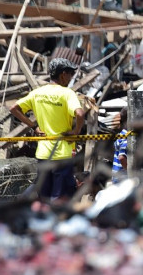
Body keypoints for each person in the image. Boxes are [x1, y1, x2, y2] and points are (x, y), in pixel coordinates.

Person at [9, 57, 86, 200]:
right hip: (62, 156)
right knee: (60, 199)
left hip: (43, 155)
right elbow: (80, 114)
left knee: (44, 198)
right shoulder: (67, 93)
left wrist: (34, 127)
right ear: (63, 74)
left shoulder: (38, 93)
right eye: (70, 74)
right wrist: (76, 132)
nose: (71, 78)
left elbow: (14, 108)